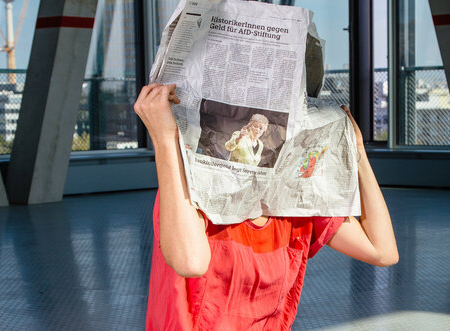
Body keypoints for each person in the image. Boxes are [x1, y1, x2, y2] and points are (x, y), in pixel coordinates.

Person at [134, 83, 398, 330]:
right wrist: (164, 141)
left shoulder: (296, 203)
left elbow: (383, 252)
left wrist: (357, 152)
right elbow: (190, 262)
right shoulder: (190, 193)